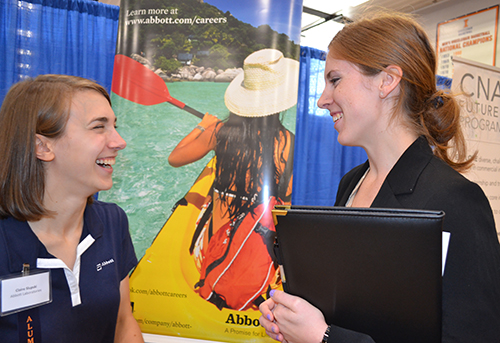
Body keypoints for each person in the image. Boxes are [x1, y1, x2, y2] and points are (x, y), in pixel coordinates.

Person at [259, 12, 500, 343]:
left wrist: (324, 337)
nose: (322, 99)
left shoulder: (456, 201)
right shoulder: (350, 184)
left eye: (335, 80)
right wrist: (294, 320)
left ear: (387, 81)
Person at [0, 75, 144, 342]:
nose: (119, 141)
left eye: (115, 125)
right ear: (42, 146)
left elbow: (123, 322)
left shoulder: (112, 222)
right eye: (99, 127)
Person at [168, 48, 298, 310]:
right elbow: (290, 194)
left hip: (215, 237)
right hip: (256, 239)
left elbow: (175, 158)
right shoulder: (288, 143)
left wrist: (203, 125)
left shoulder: (220, 132)